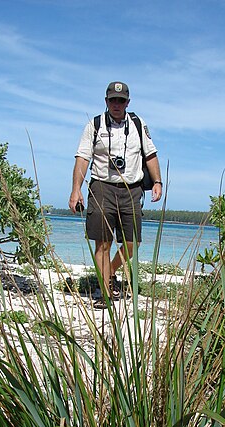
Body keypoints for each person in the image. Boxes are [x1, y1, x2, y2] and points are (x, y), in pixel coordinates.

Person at [69, 81, 162, 309]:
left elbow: (150, 155)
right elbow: (82, 158)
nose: (117, 104)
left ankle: (110, 271)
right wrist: (75, 189)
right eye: (113, 100)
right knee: (103, 242)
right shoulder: (94, 125)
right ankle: (106, 292)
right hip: (102, 186)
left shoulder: (138, 124)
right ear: (106, 101)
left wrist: (157, 181)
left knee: (132, 243)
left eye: (121, 100)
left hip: (132, 188)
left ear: (127, 102)